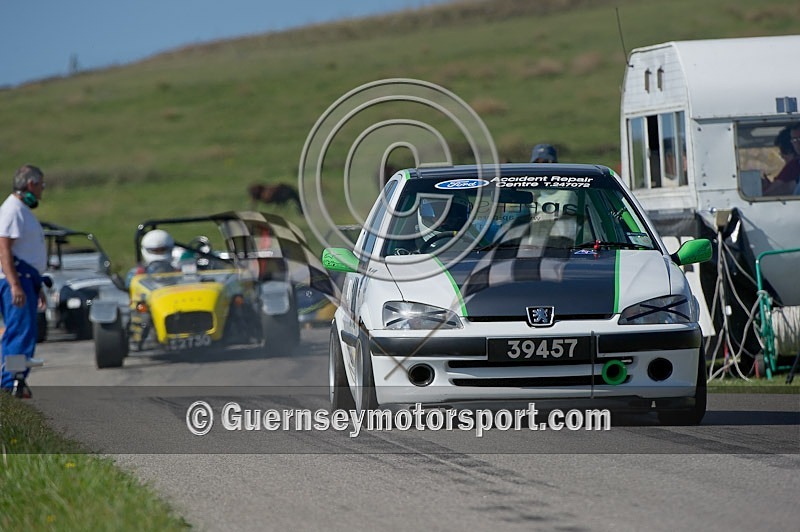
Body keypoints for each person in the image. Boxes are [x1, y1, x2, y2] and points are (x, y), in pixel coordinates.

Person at [0, 165, 47, 396]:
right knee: (18, 332)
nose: (41, 191)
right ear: (31, 184)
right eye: (41, 186)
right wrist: (15, 284)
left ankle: (16, 380)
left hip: (27, 279)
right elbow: (4, 249)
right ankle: (10, 383)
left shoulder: (21, 210)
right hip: (16, 281)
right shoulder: (12, 210)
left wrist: (36, 286)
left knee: (25, 331)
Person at [763, 125, 800, 195]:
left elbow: (769, 193)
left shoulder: (793, 166)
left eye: (783, 151)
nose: (782, 156)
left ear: (789, 150)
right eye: (794, 140)